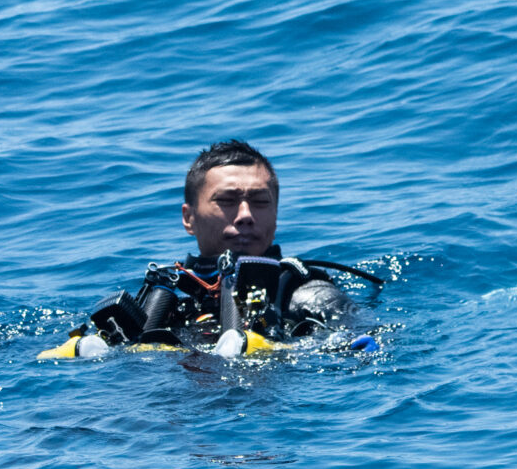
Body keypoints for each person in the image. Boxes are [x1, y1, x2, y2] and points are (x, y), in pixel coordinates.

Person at [72, 140, 352, 358]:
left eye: (260, 202)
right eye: (227, 200)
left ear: (276, 215)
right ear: (188, 218)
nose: (245, 214)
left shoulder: (309, 294)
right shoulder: (159, 301)